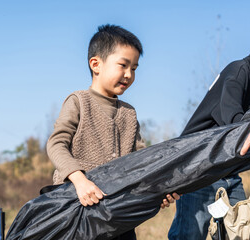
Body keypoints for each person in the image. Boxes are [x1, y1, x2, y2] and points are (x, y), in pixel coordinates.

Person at [46, 24, 179, 240]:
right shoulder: (78, 102)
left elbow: (141, 160)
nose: (129, 74)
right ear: (96, 64)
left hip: (118, 213)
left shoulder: (129, 113)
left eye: (134, 68)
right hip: (78, 209)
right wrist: (79, 181)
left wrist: (160, 189)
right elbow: (56, 144)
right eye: (123, 65)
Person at [168, 39, 250, 240]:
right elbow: (233, 127)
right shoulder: (238, 72)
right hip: (198, 168)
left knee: (238, 230)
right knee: (189, 234)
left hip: (229, 172)